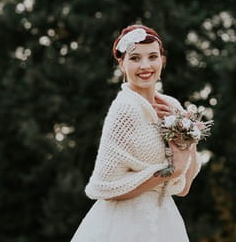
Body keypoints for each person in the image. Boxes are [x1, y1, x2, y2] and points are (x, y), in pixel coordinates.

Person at [70, 24, 201, 242]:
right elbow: (108, 188)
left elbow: (183, 189)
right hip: (124, 224)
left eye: (152, 56)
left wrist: (188, 135)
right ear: (122, 63)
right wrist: (172, 170)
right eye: (135, 58)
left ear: (163, 60)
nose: (145, 65)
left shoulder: (173, 107)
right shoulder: (125, 110)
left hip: (164, 223)